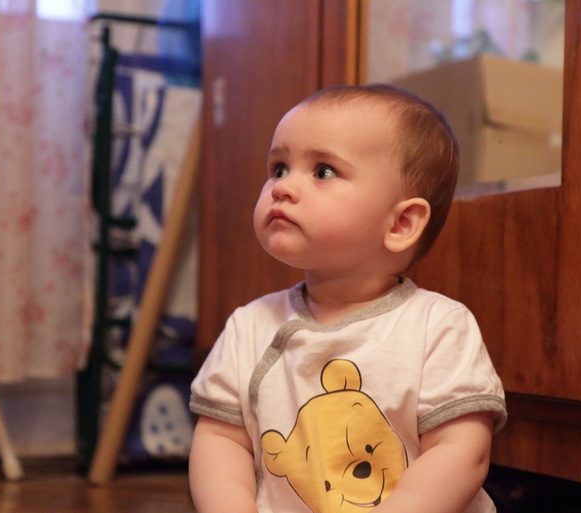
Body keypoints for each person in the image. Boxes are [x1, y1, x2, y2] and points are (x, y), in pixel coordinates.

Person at [188, 83, 507, 513]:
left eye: (322, 172)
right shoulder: (249, 326)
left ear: (400, 224)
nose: (282, 187)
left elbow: (461, 452)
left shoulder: (439, 327)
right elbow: (220, 440)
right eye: (279, 168)